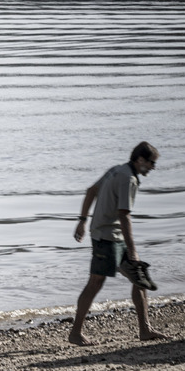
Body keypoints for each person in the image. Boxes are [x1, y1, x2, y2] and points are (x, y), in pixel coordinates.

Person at [69, 141, 165, 346]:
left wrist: (82, 221)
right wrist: (133, 251)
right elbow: (124, 215)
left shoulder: (116, 170)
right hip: (106, 237)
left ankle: (145, 329)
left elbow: (90, 191)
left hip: (111, 235)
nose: (152, 167)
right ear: (140, 159)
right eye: (151, 163)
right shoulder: (128, 178)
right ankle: (75, 333)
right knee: (95, 283)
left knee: (139, 278)